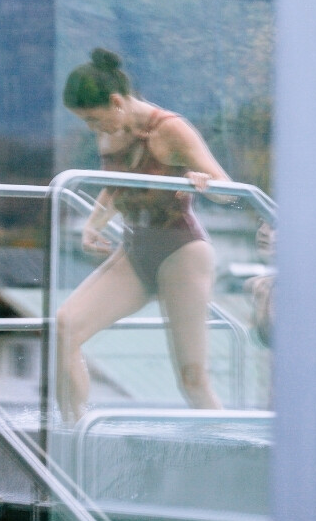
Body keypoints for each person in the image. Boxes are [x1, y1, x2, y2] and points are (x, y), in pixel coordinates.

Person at [55, 48, 227, 421]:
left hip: (180, 251)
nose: (92, 128)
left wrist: (204, 183)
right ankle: (74, 433)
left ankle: (237, 456)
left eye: (93, 119)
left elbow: (229, 189)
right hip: (136, 249)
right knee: (65, 328)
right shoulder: (110, 133)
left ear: (116, 102)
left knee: (192, 379)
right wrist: (93, 224)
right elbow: (116, 185)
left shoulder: (170, 129)